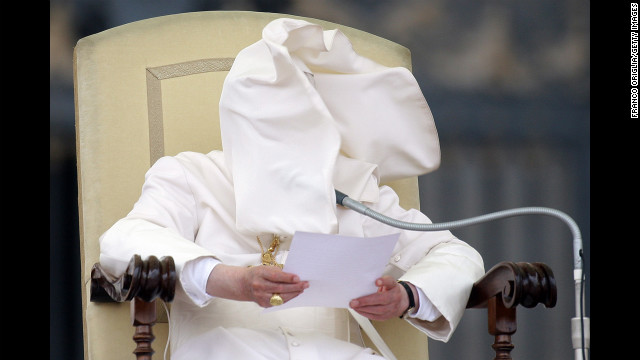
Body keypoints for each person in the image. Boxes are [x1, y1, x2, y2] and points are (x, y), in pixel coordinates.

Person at [98, 17, 485, 360]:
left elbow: (454, 253)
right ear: (243, 120)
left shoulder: (351, 191)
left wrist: (407, 296)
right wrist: (229, 280)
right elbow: (123, 240)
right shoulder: (192, 176)